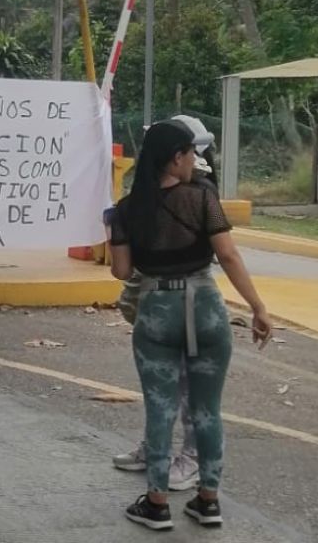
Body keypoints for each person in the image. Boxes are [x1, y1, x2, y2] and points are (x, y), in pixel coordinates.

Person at [108, 121, 272, 531]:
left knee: (160, 409)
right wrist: (257, 307)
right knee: (207, 410)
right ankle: (208, 501)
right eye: (189, 154)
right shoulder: (202, 197)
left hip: (157, 311)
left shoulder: (126, 209)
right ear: (175, 157)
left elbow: (122, 271)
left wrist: (115, 234)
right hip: (206, 308)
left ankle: (157, 504)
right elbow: (228, 256)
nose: (194, 161)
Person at [111, 115, 218, 490]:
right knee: (162, 385)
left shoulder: (197, 189)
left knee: (187, 384)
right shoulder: (150, 192)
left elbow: (222, 251)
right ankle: (156, 448)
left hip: (186, 299)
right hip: (156, 294)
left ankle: (191, 457)